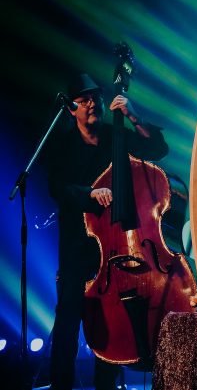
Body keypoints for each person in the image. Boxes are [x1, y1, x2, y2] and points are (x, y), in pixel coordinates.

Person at [45, 73, 169, 389]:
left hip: (115, 248)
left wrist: (133, 115)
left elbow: (157, 149)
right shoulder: (62, 143)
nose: (92, 104)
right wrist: (89, 193)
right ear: (71, 107)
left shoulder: (117, 135)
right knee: (68, 322)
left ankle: (107, 386)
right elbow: (56, 187)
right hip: (77, 246)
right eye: (84, 99)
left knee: (113, 322)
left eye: (95, 98)